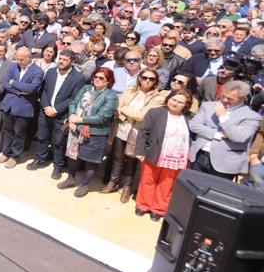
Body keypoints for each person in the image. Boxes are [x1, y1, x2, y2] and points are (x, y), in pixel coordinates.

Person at [104, 68, 166, 202]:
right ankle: (112, 182)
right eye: (145, 78)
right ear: (140, 78)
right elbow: (117, 108)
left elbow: (142, 116)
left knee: (131, 160)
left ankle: (127, 187)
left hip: (138, 132)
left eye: (151, 79)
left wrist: (125, 110)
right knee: (117, 157)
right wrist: (122, 112)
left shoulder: (158, 97)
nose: (147, 81)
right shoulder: (130, 91)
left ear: (156, 81)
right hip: (121, 128)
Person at [133, 90, 193, 220]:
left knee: (166, 184)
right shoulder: (155, 112)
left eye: (180, 102)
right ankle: (143, 205)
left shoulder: (190, 117)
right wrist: (139, 151)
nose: (175, 103)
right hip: (154, 152)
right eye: (173, 99)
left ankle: (158, 209)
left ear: (186, 105)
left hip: (176, 157)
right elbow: (143, 132)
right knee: (148, 180)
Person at [59, 67, 119, 196]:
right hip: (76, 129)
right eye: (95, 77)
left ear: (108, 81)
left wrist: (78, 119)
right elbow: (73, 102)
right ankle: (70, 179)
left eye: (101, 78)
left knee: (90, 161)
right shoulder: (86, 89)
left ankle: (84, 185)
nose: (97, 79)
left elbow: (102, 117)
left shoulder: (111, 96)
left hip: (95, 133)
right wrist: (72, 117)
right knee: (72, 156)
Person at [189, 80, 261, 180]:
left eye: (230, 99)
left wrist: (223, 117)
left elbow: (239, 137)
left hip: (226, 163)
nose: (225, 100)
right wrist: (218, 135)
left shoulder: (252, 116)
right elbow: (194, 125)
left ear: (243, 98)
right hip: (199, 156)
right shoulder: (208, 105)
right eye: (223, 96)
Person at [28, 49, 85, 173]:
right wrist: (46, 107)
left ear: (72, 62)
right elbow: (43, 91)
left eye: (65, 60)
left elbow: (74, 98)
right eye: (60, 58)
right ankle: (40, 159)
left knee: (58, 142)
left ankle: (57, 166)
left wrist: (56, 109)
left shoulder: (78, 78)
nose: (61, 61)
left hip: (61, 115)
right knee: (42, 137)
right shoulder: (51, 72)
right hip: (45, 112)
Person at [0, 47, 45, 169]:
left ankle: (15, 156)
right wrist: (18, 91)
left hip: (23, 108)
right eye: (17, 58)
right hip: (9, 104)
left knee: (19, 133)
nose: (19, 61)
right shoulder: (13, 66)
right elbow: (5, 83)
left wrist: (13, 83)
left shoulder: (38, 71)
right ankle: (6, 153)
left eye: (22, 59)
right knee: (7, 131)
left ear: (29, 58)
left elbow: (30, 89)